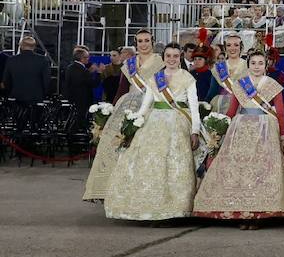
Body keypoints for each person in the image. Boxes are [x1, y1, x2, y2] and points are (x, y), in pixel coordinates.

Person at [192, 49, 284, 226]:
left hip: (265, 130)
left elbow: (281, 113)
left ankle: (259, 211)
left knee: (261, 170)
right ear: (248, 65)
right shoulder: (240, 84)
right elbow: (231, 111)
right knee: (238, 169)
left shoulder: (272, 85)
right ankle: (237, 208)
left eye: (260, 63)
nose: (257, 66)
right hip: (241, 129)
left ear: (266, 65)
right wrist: (219, 131)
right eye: (253, 63)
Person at [104, 44, 202, 221]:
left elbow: (194, 107)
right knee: (149, 165)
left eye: (175, 56)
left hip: (177, 123)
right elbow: (145, 106)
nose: (172, 59)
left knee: (173, 166)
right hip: (153, 121)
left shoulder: (187, 77)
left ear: (180, 58)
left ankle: (174, 209)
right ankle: (149, 208)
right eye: (168, 56)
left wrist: (195, 130)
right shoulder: (155, 78)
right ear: (163, 58)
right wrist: (132, 126)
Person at [83, 30, 160, 204]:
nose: (144, 44)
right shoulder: (129, 65)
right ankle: (107, 188)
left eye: (147, 40)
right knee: (113, 143)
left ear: (152, 42)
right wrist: (112, 108)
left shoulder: (161, 62)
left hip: (152, 104)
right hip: (128, 103)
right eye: (140, 41)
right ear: (136, 43)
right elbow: (122, 89)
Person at [208, 33, 249, 114]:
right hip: (220, 105)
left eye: (236, 45)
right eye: (229, 45)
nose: (232, 48)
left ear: (241, 47)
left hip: (243, 105)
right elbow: (212, 91)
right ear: (225, 48)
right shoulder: (217, 68)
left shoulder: (248, 66)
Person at [63, 45, 100, 123]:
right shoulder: (82, 70)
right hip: (82, 101)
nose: (88, 59)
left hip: (72, 99)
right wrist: (99, 73)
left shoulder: (70, 67)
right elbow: (93, 84)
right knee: (80, 121)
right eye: (87, 57)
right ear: (82, 58)